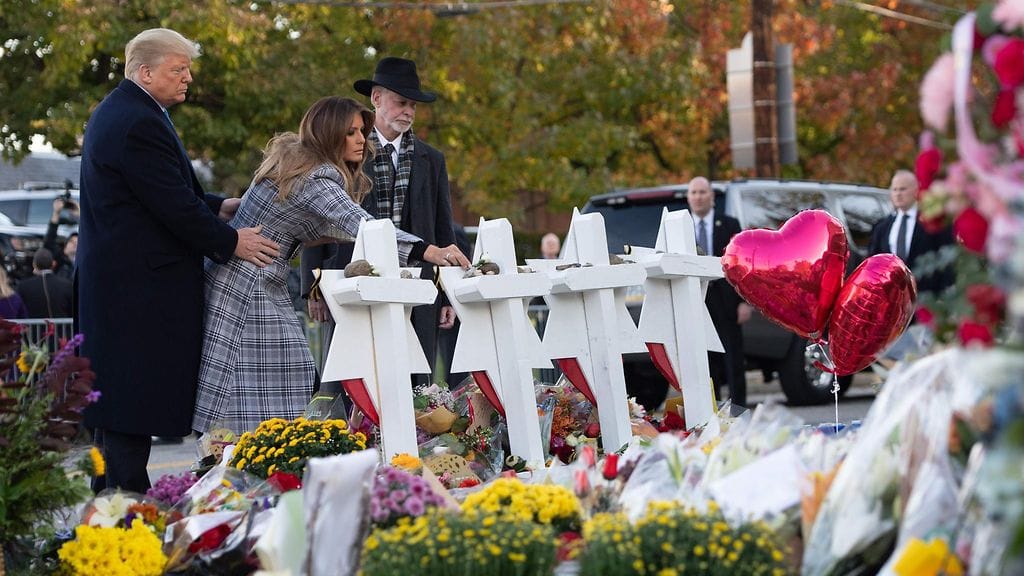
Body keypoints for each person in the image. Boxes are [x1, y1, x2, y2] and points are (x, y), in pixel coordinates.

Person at [78, 28, 281, 493]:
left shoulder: (126, 111)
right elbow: (170, 205)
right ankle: (124, 508)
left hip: (121, 287)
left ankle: (111, 504)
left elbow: (158, 192)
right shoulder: (138, 122)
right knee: (129, 407)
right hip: (138, 292)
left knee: (119, 410)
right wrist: (231, 241)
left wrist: (217, 205)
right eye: (178, 69)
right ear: (145, 72)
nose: (188, 78)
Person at [192, 96, 469, 436]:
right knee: (268, 384)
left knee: (257, 386)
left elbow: (321, 226)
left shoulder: (297, 165)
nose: (361, 140)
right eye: (351, 132)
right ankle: (245, 458)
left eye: (361, 131)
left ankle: (243, 456)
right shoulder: (317, 178)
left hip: (247, 280)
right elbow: (363, 225)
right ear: (328, 133)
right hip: (246, 287)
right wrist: (429, 251)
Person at [302, 56, 458, 388]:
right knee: (351, 381)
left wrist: (448, 295)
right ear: (376, 98)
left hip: (416, 285)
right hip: (351, 279)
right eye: (401, 102)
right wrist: (312, 287)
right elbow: (316, 220)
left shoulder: (432, 159)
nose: (409, 111)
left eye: (413, 105)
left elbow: (444, 231)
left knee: (415, 385)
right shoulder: (347, 149)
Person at [687, 176, 751, 407]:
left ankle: (738, 411)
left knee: (733, 358)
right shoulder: (680, 228)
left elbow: (742, 264)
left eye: (702, 192)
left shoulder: (730, 224)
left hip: (727, 301)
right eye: (694, 193)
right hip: (696, 302)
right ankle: (709, 412)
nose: (698, 197)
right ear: (688, 197)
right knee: (704, 361)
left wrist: (744, 301)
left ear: (712, 196)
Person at [868, 169, 954, 296]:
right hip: (891, 297)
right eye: (894, 189)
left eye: (903, 189)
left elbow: (946, 258)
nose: (898, 194)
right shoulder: (882, 227)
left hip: (926, 295)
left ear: (916, 191)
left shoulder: (932, 222)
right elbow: (873, 263)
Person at [17, 249, 74, 318]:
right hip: (63, 325)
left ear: (34, 264)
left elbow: (19, 312)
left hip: (34, 324)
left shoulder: (23, 286)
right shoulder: (67, 285)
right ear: (53, 264)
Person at [43, 198, 78, 281]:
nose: (75, 244)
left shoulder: (83, 261)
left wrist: (79, 214)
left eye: (78, 242)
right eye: (72, 241)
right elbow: (49, 240)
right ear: (65, 246)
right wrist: (56, 213)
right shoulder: (60, 258)